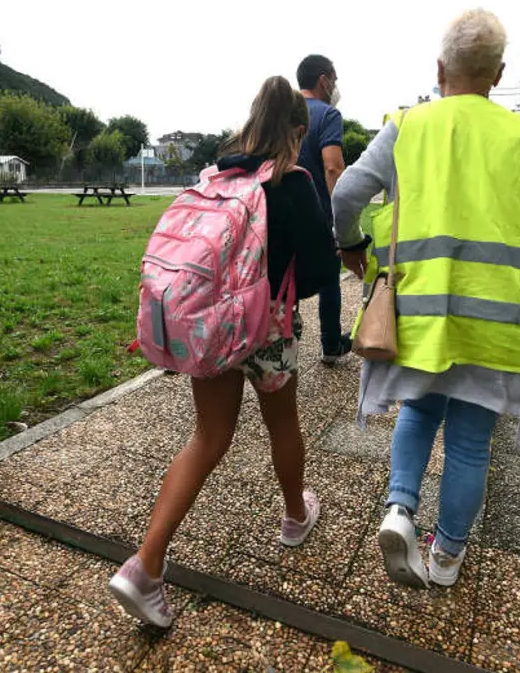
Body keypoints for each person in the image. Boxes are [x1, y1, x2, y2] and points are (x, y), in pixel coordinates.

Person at [333, 10, 520, 589]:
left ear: (440, 69)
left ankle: (399, 510)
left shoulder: (407, 127)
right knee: (469, 442)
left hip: (420, 312)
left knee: (418, 410)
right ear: (499, 73)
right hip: (497, 322)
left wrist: (352, 247)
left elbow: (345, 194)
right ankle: (446, 560)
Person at [110, 77, 340, 626]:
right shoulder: (292, 183)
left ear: (250, 121)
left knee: (208, 436)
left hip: (207, 323)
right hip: (266, 328)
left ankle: (144, 566)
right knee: (282, 424)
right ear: (297, 131)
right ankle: (293, 516)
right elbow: (317, 273)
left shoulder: (217, 177)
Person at [295, 54, 351, 364]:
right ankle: (331, 344)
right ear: (323, 80)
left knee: (283, 277)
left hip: (280, 212)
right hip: (318, 214)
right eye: (335, 79)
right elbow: (333, 168)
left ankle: (280, 339)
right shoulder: (328, 114)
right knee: (330, 278)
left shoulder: (282, 114)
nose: (336, 86)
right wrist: (340, 218)